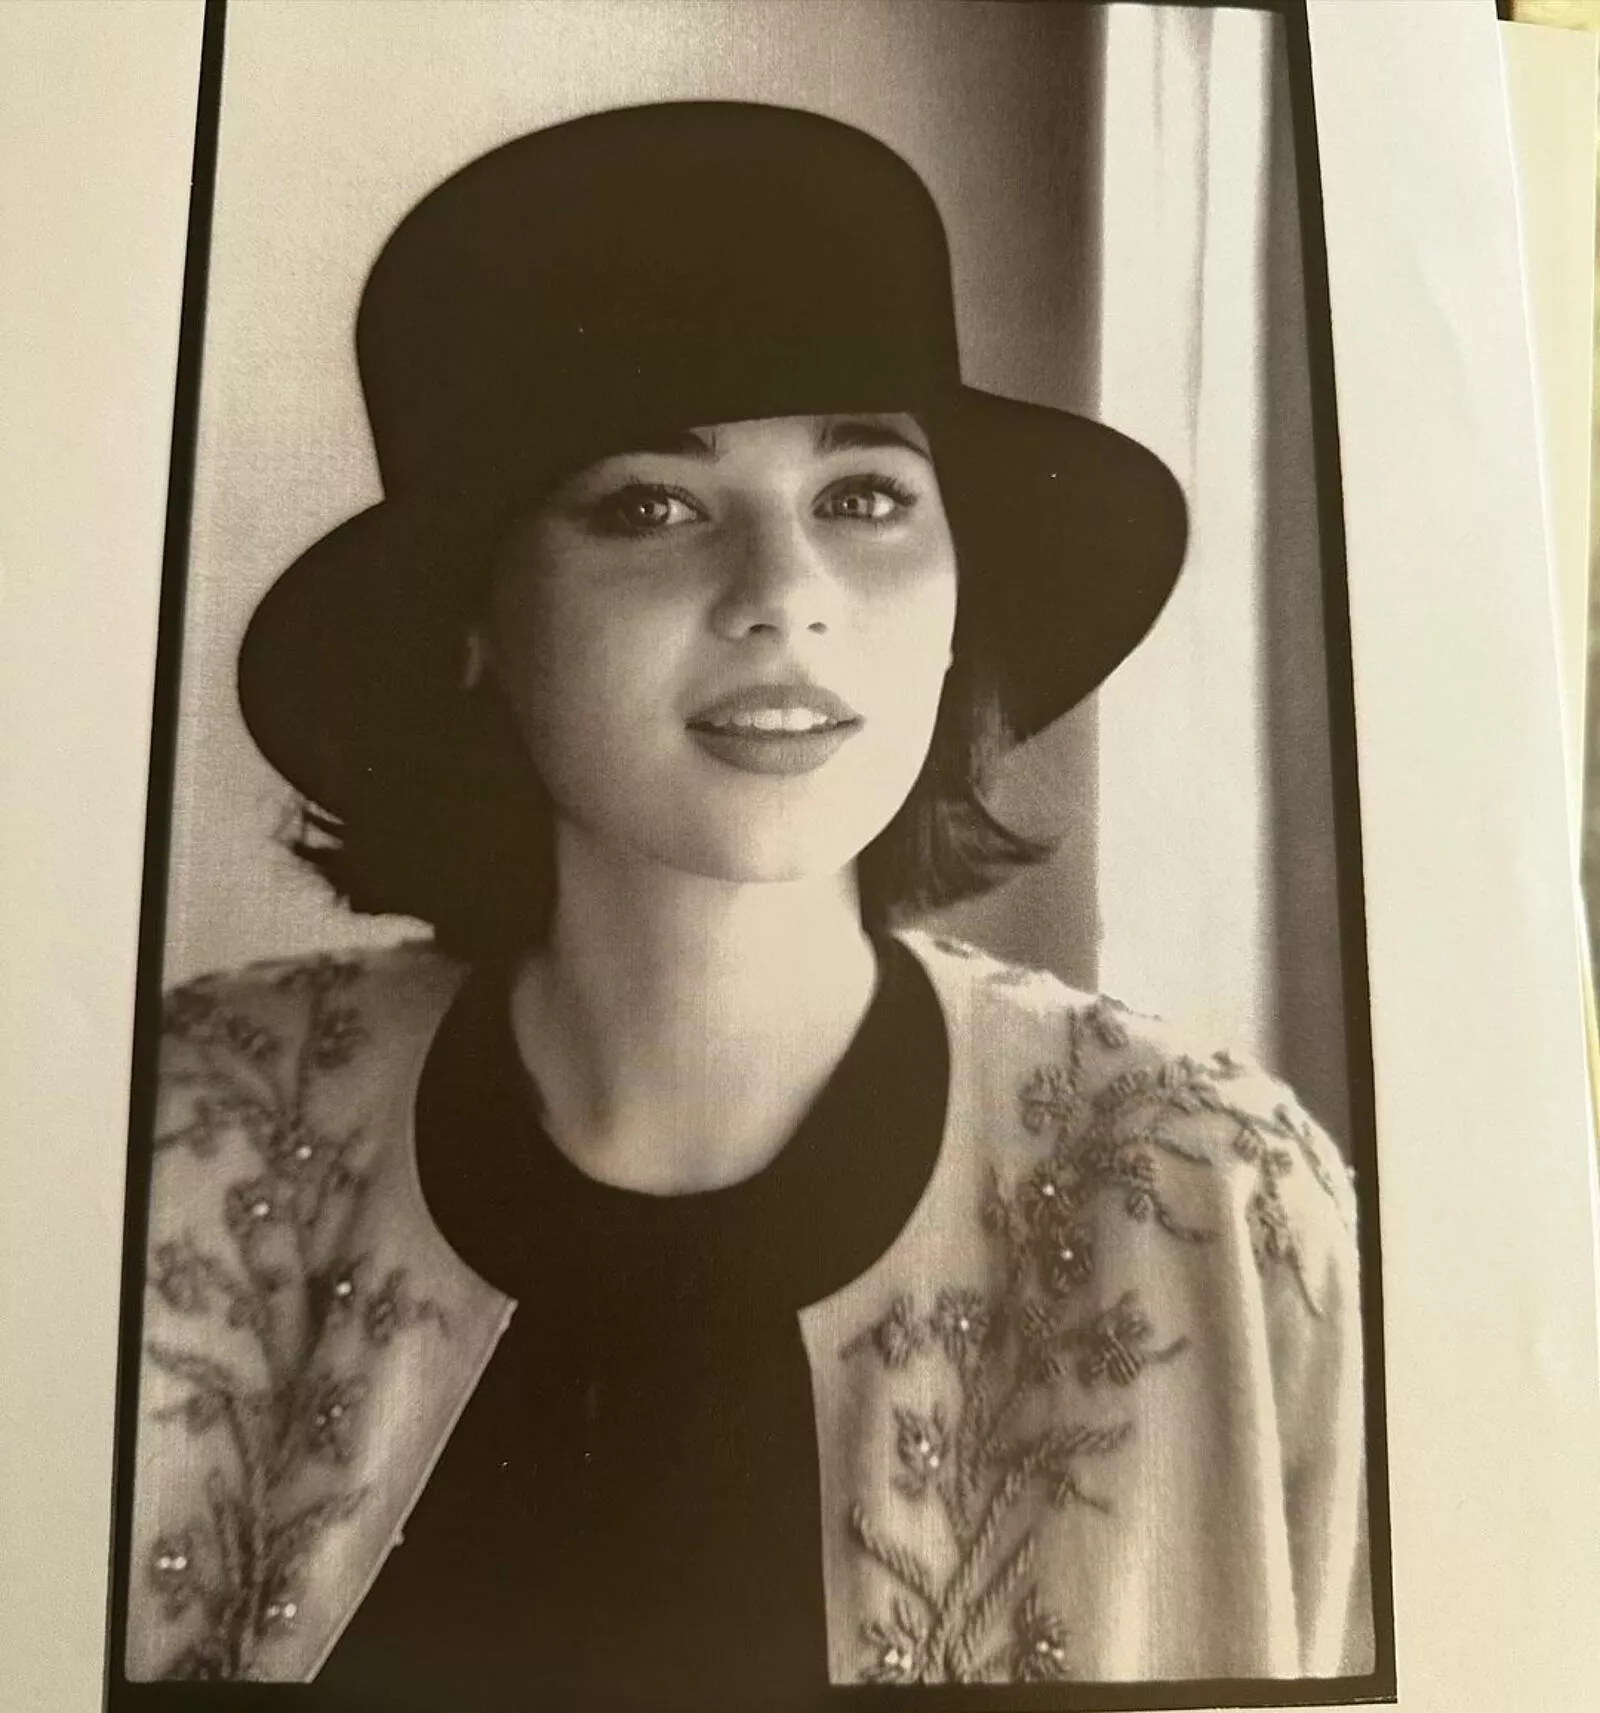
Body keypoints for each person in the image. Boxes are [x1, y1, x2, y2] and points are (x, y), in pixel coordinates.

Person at [122, 102, 1370, 1707]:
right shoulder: (171, 1139)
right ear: (472, 617)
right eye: (649, 506)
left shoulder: (1219, 1199)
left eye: (865, 496)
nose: (786, 596)